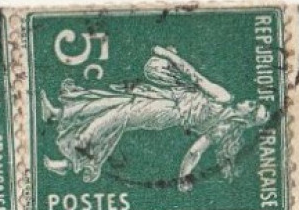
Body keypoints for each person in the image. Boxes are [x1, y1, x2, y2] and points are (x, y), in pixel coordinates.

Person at [38, 45, 270, 191]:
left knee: (118, 115)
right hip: (169, 97)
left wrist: (166, 54)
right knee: (115, 100)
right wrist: (183, 178)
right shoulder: (223, 127)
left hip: (169, 111)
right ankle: (58, 114)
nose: (248, 102)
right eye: (253, 102)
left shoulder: (224, 98)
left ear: (246, 116)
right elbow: (194, 152)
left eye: (251, 106)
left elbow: (195, 76)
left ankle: (70, 163)